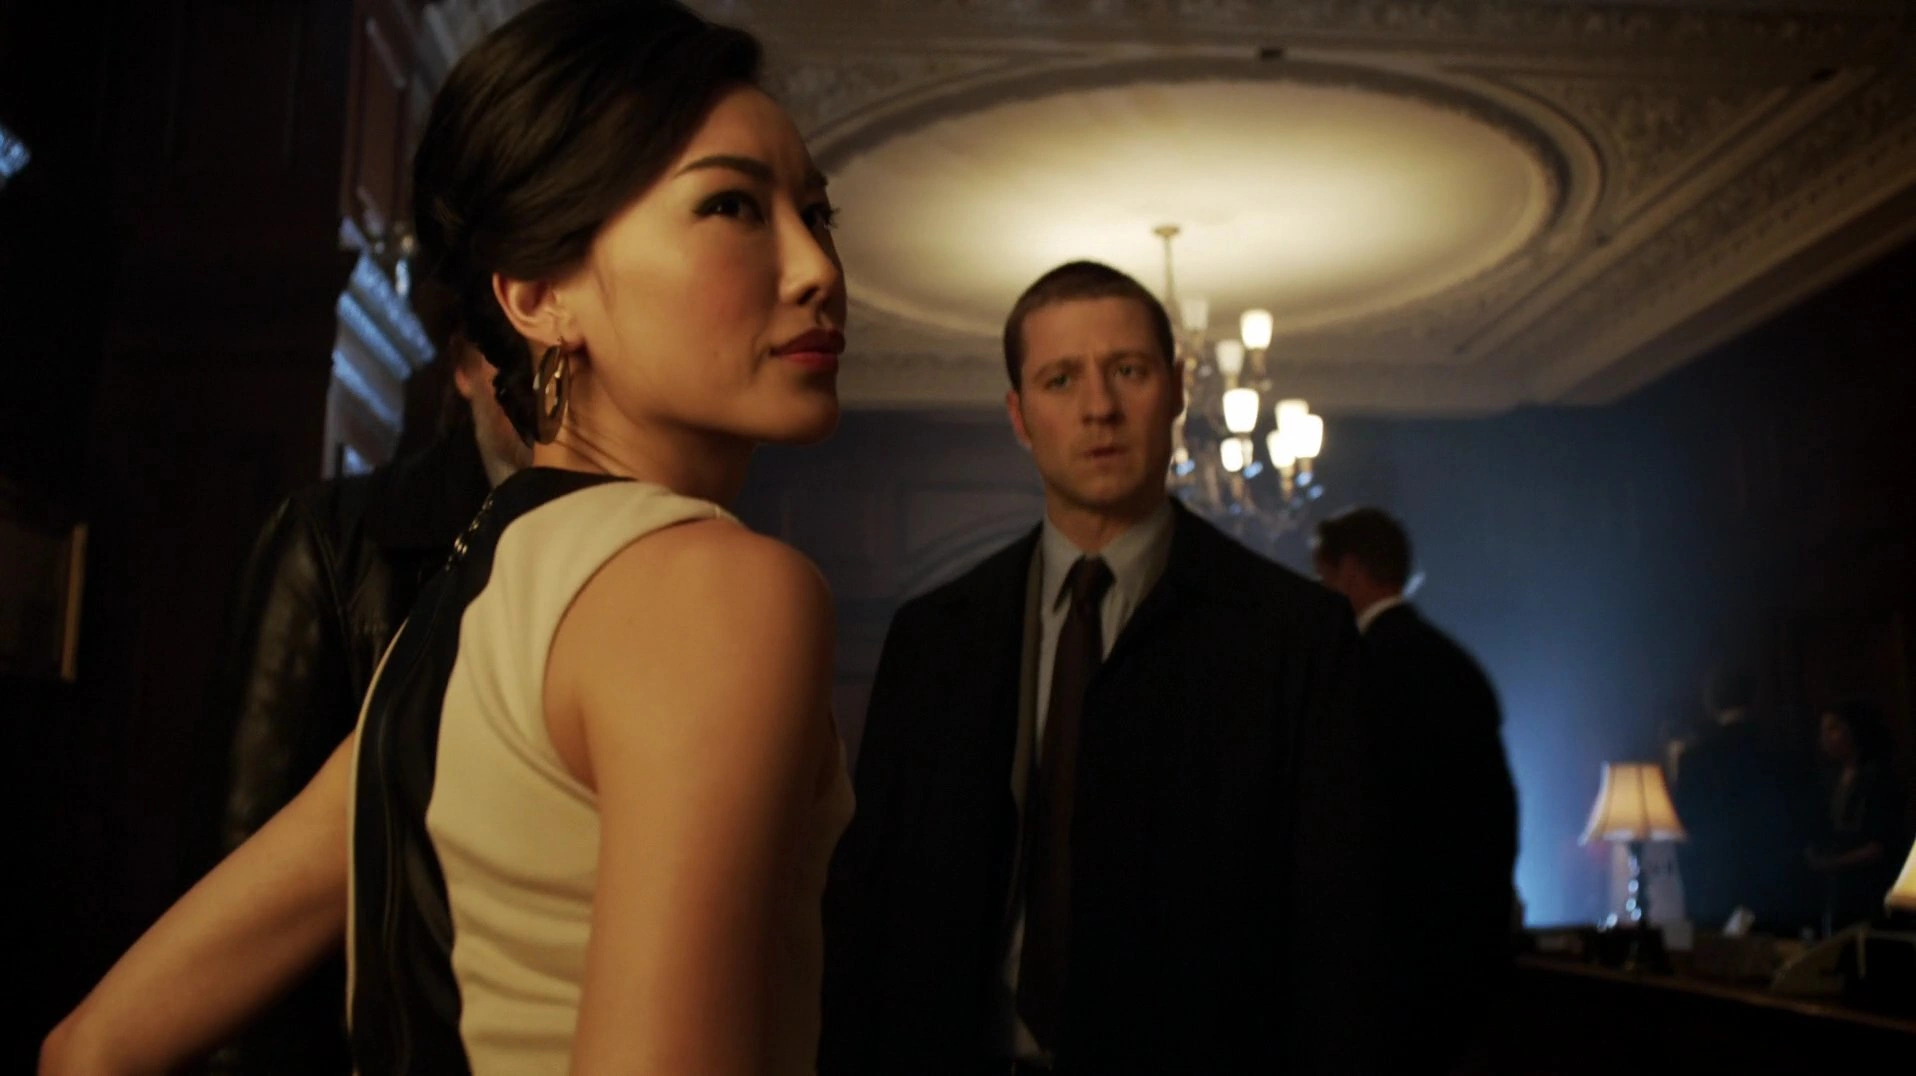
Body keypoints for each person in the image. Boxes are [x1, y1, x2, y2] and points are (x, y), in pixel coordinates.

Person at [41, 2, 851, 1073]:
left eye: (816, 211)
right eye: (732, 206)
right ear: (538, 295)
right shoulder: (714, 589)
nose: (815, 267)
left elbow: (90, 1045)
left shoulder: (460, 615)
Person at [820, 261, 1385, 1075]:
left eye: (1128, 370)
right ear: (1019, 415)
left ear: (1178, 388)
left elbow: (1342, 929)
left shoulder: (1295, 634)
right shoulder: (934, 637)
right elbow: (869, 907)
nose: (1099, 407)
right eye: (1060, 379)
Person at [183, 323, 527, 1076]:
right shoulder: (338, 544)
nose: (546, 378)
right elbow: (245, 893)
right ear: (464, 368)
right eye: (509, 350)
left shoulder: (639, 563)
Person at [1311, 506, 1518, 1073]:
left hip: (1382, 963)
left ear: (1350, 571)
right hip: (1466, 952)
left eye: (1322, 577)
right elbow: (1496, 816)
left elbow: (1348, 822)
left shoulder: (1353, 672)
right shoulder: (1457, 666)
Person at [1669, 668, 1799, 929]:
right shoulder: (1779, 747)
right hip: (1773, 872)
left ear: (1711, 701)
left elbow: (1684, 819)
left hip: (1716, 873)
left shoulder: (1696, 757)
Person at [1807, 701, 1909, 935]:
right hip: (1839, 892)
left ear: (1854, 730)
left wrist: (1830, 863)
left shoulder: (1879, 778)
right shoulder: (1830, 779)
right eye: (1823, 730)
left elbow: (1881, 844)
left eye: (1833, 728)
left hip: (1871, 889)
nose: (1825, 738)